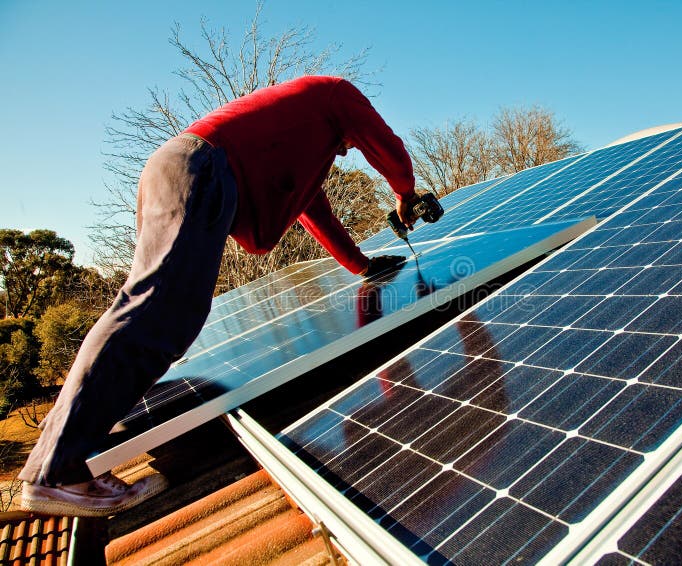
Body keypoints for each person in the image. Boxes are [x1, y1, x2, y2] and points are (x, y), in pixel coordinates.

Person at [19, 75, 417, 517]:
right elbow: (386, 144)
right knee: (156, 310)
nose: (345, 152)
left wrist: (360, 265)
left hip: (183, 166)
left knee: (165, 311)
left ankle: (63, 454)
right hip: (200, 168)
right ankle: (56, 470)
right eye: (347, 146)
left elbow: (311, 207)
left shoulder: (303, 135)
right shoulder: (335, 94)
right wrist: (406, 192)